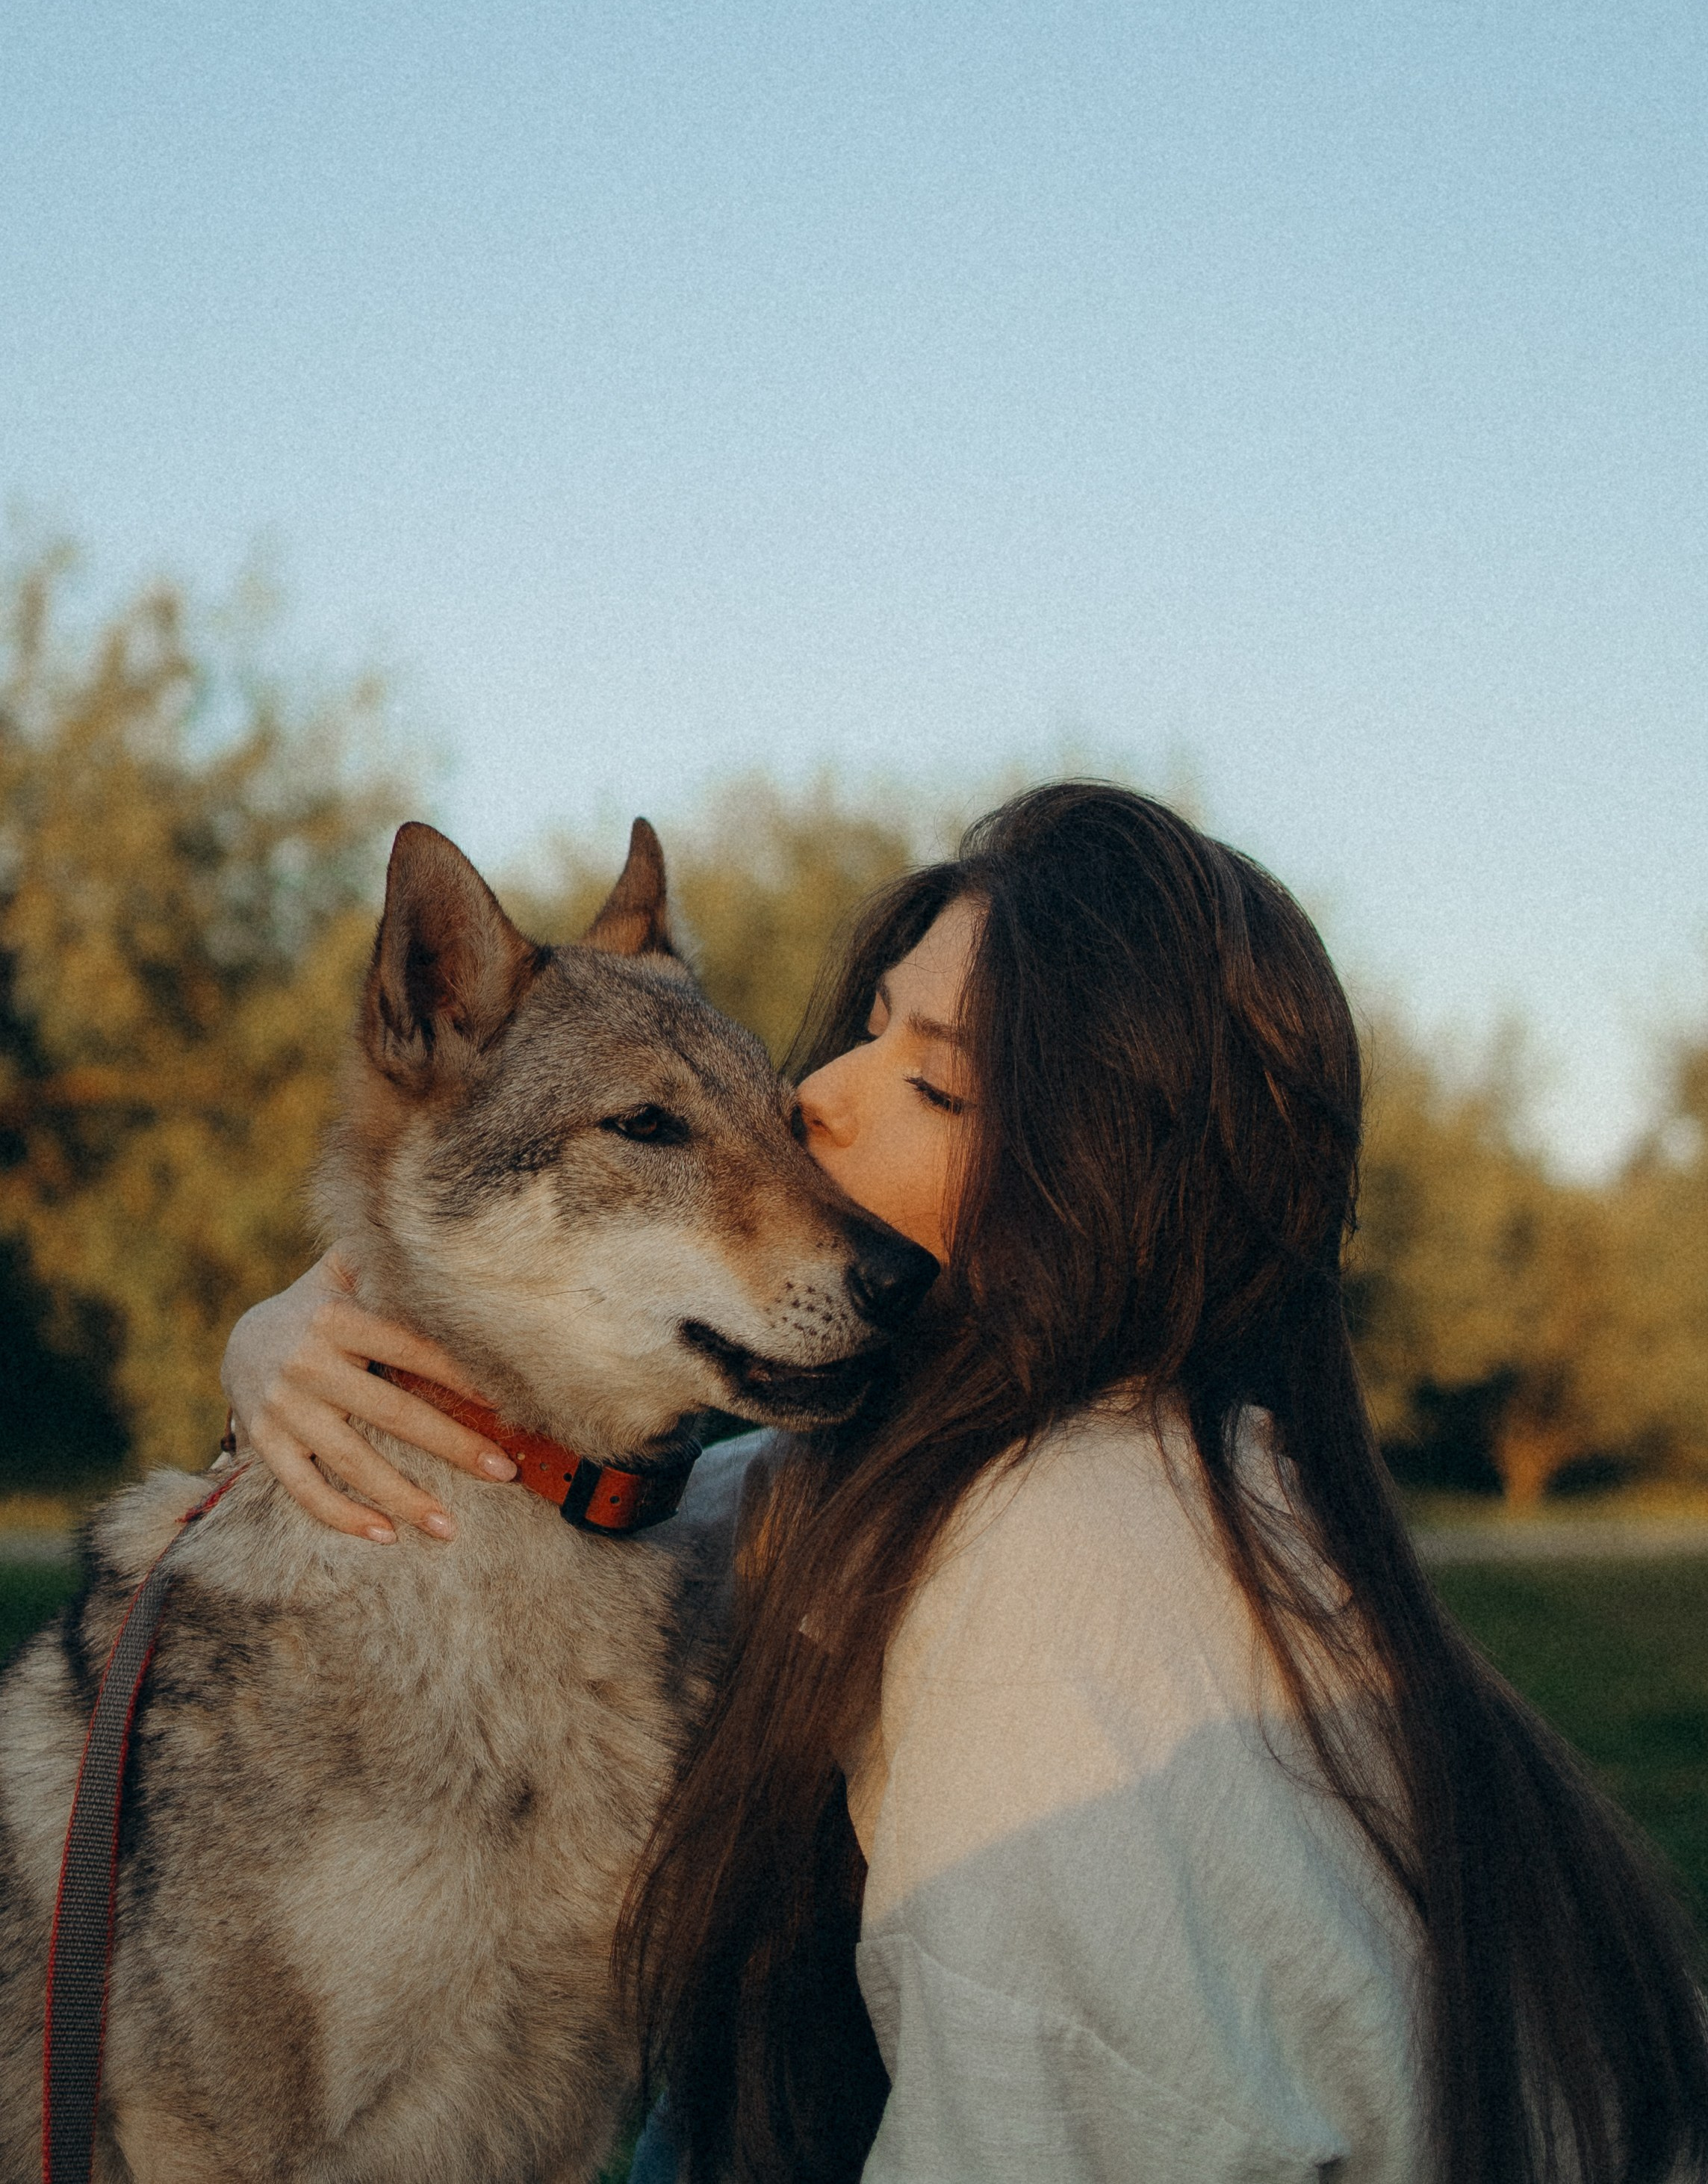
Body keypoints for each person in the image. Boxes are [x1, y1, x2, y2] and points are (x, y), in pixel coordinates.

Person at [223, 784, 1708, 2184]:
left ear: (1099, 1175)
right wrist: (297, 1328)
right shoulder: (1043, 1463)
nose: (811, 1101)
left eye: (931, 1080)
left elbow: (1062, 2122)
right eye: (865, 1028)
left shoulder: (1060, 1571)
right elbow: (600, 1488)